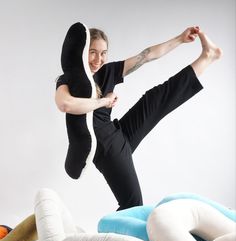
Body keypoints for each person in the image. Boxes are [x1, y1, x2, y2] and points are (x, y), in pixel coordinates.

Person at [55, 23, 222, 211]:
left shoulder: (107, 71)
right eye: (92, 52)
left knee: (155, 98)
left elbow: (147, 55)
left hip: (117, 132)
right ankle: (108, 239)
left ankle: (207, 57)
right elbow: (66, 104)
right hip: (106, 149)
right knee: (132, 204)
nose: (98, 59)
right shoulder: (69, 79)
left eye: (103, 53)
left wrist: (180, 39)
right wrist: (104, 101)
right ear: (83, 51)